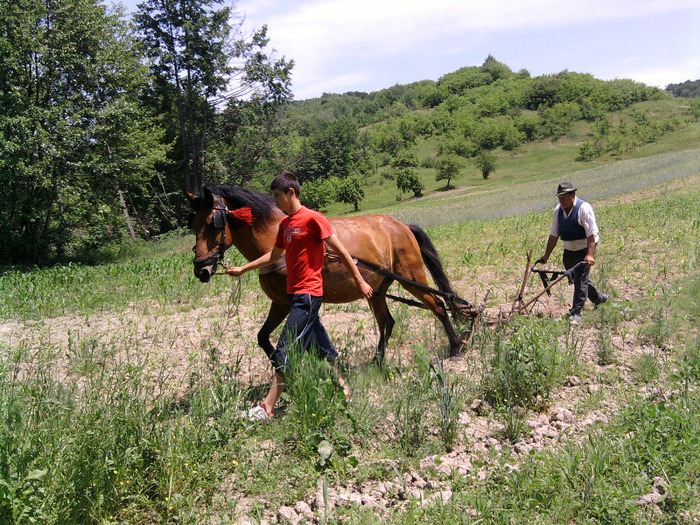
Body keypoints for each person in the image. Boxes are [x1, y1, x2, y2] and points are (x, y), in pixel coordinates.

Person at [226, 171, 373, 420]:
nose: (274, 202)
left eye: (277, 196)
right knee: (322, 348)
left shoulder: (313, 219)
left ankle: (267, 408)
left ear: (290, 193)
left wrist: (359, 280)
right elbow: (274, 256)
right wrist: (244, 268)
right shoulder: (285, 224)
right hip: (295, 295)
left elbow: (343, 251)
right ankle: (344, 391)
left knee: (286, 349)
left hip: (309, 295)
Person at [537, 182, 608, 325]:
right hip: (569, 249)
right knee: (577, 277)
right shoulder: (558, 211)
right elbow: (554, 235)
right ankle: (600, 298)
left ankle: (576, 312)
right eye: (559, 198)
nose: (561, 201)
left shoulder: (584, 209)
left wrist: (590, 255)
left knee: (580, 280)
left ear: (572, 195)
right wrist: (546, 256)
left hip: (585, 247)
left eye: (564, 198)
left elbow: (591, 235)